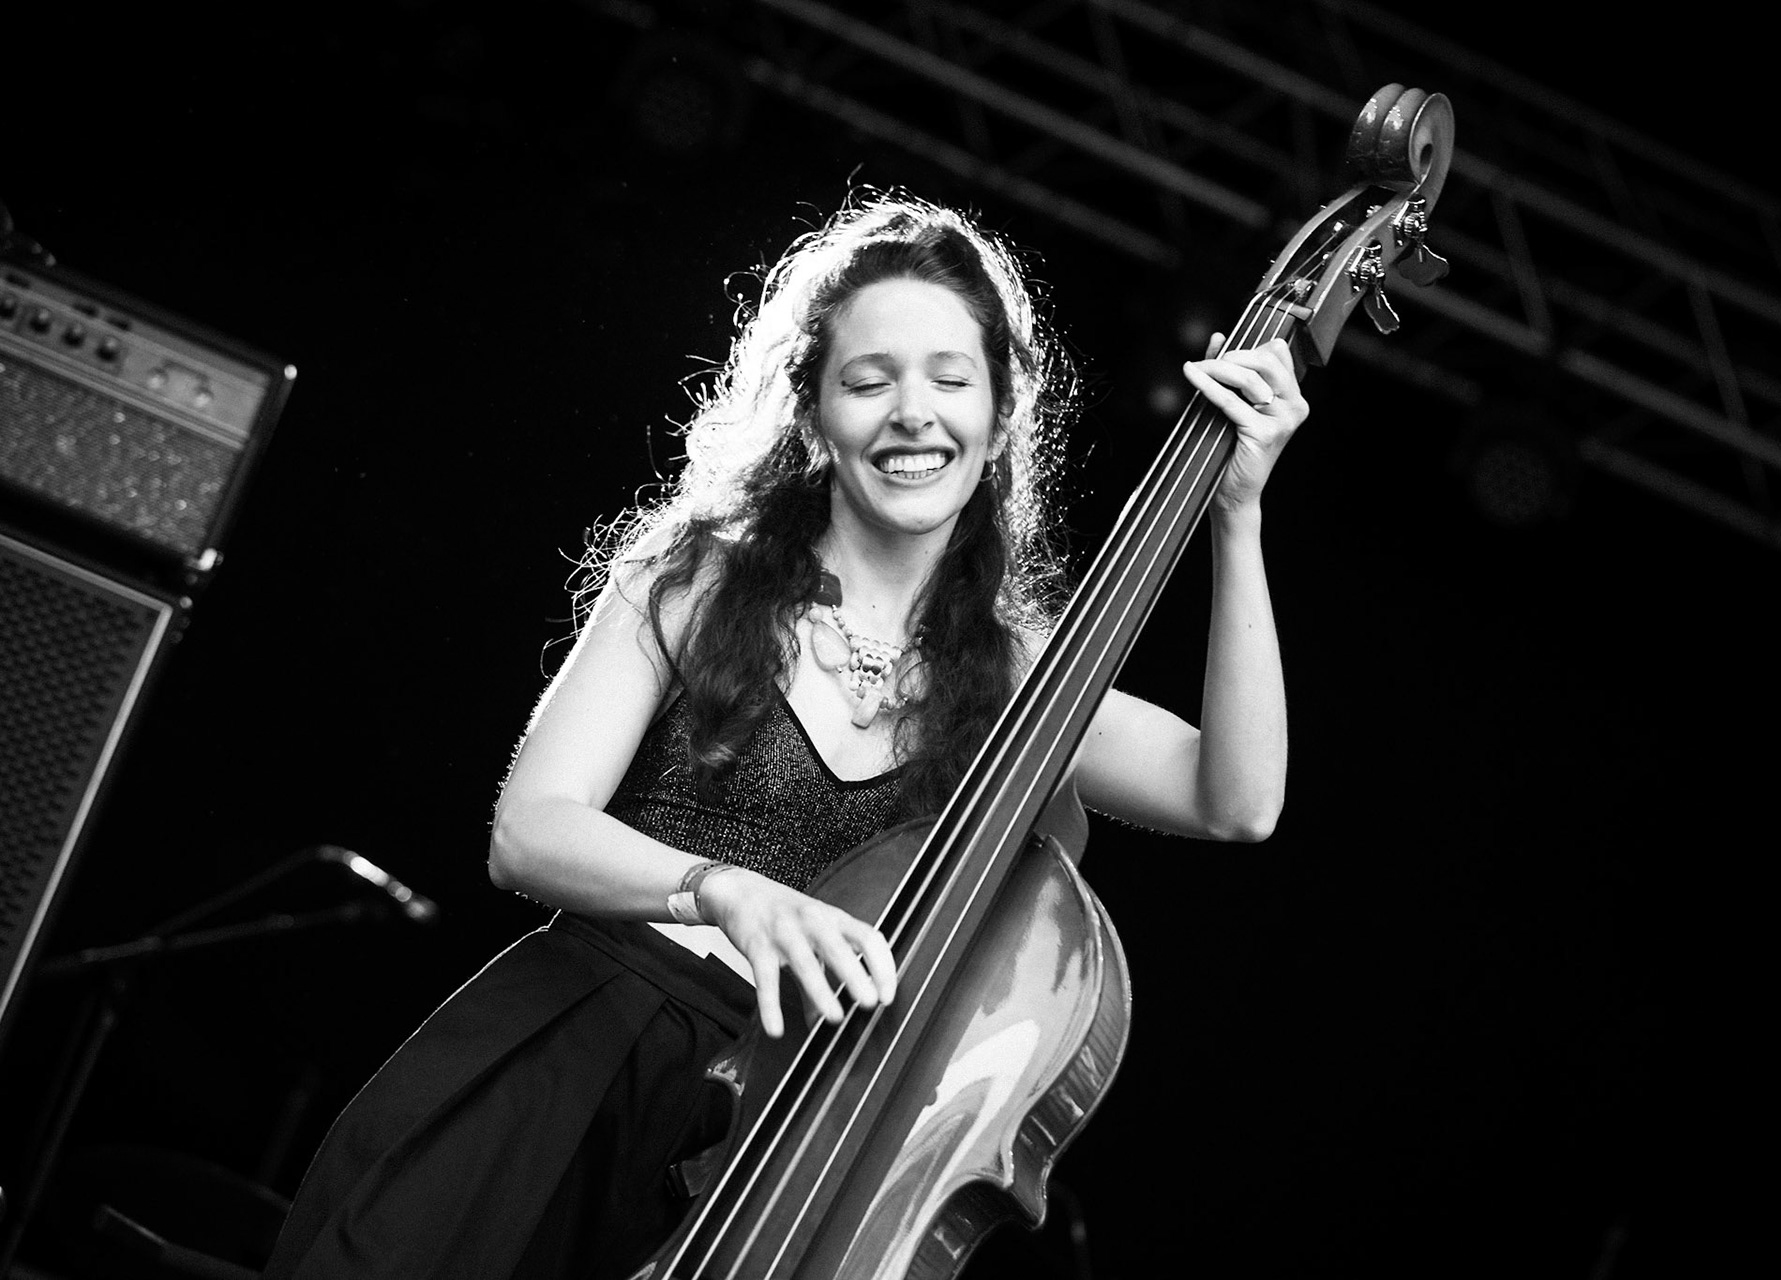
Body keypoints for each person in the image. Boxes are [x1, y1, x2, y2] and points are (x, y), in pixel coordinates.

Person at [263, 192, 1305, 1279]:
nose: (913, 414)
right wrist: (719, 889)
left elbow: (1236, 800)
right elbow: (528, 831)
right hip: (572, 1065)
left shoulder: (1025, 679)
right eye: (869, 380)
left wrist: (1236, 514)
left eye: (952, 380)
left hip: (773, 1155)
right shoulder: (694, 579)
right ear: (814, 412)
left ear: (1001, 419)